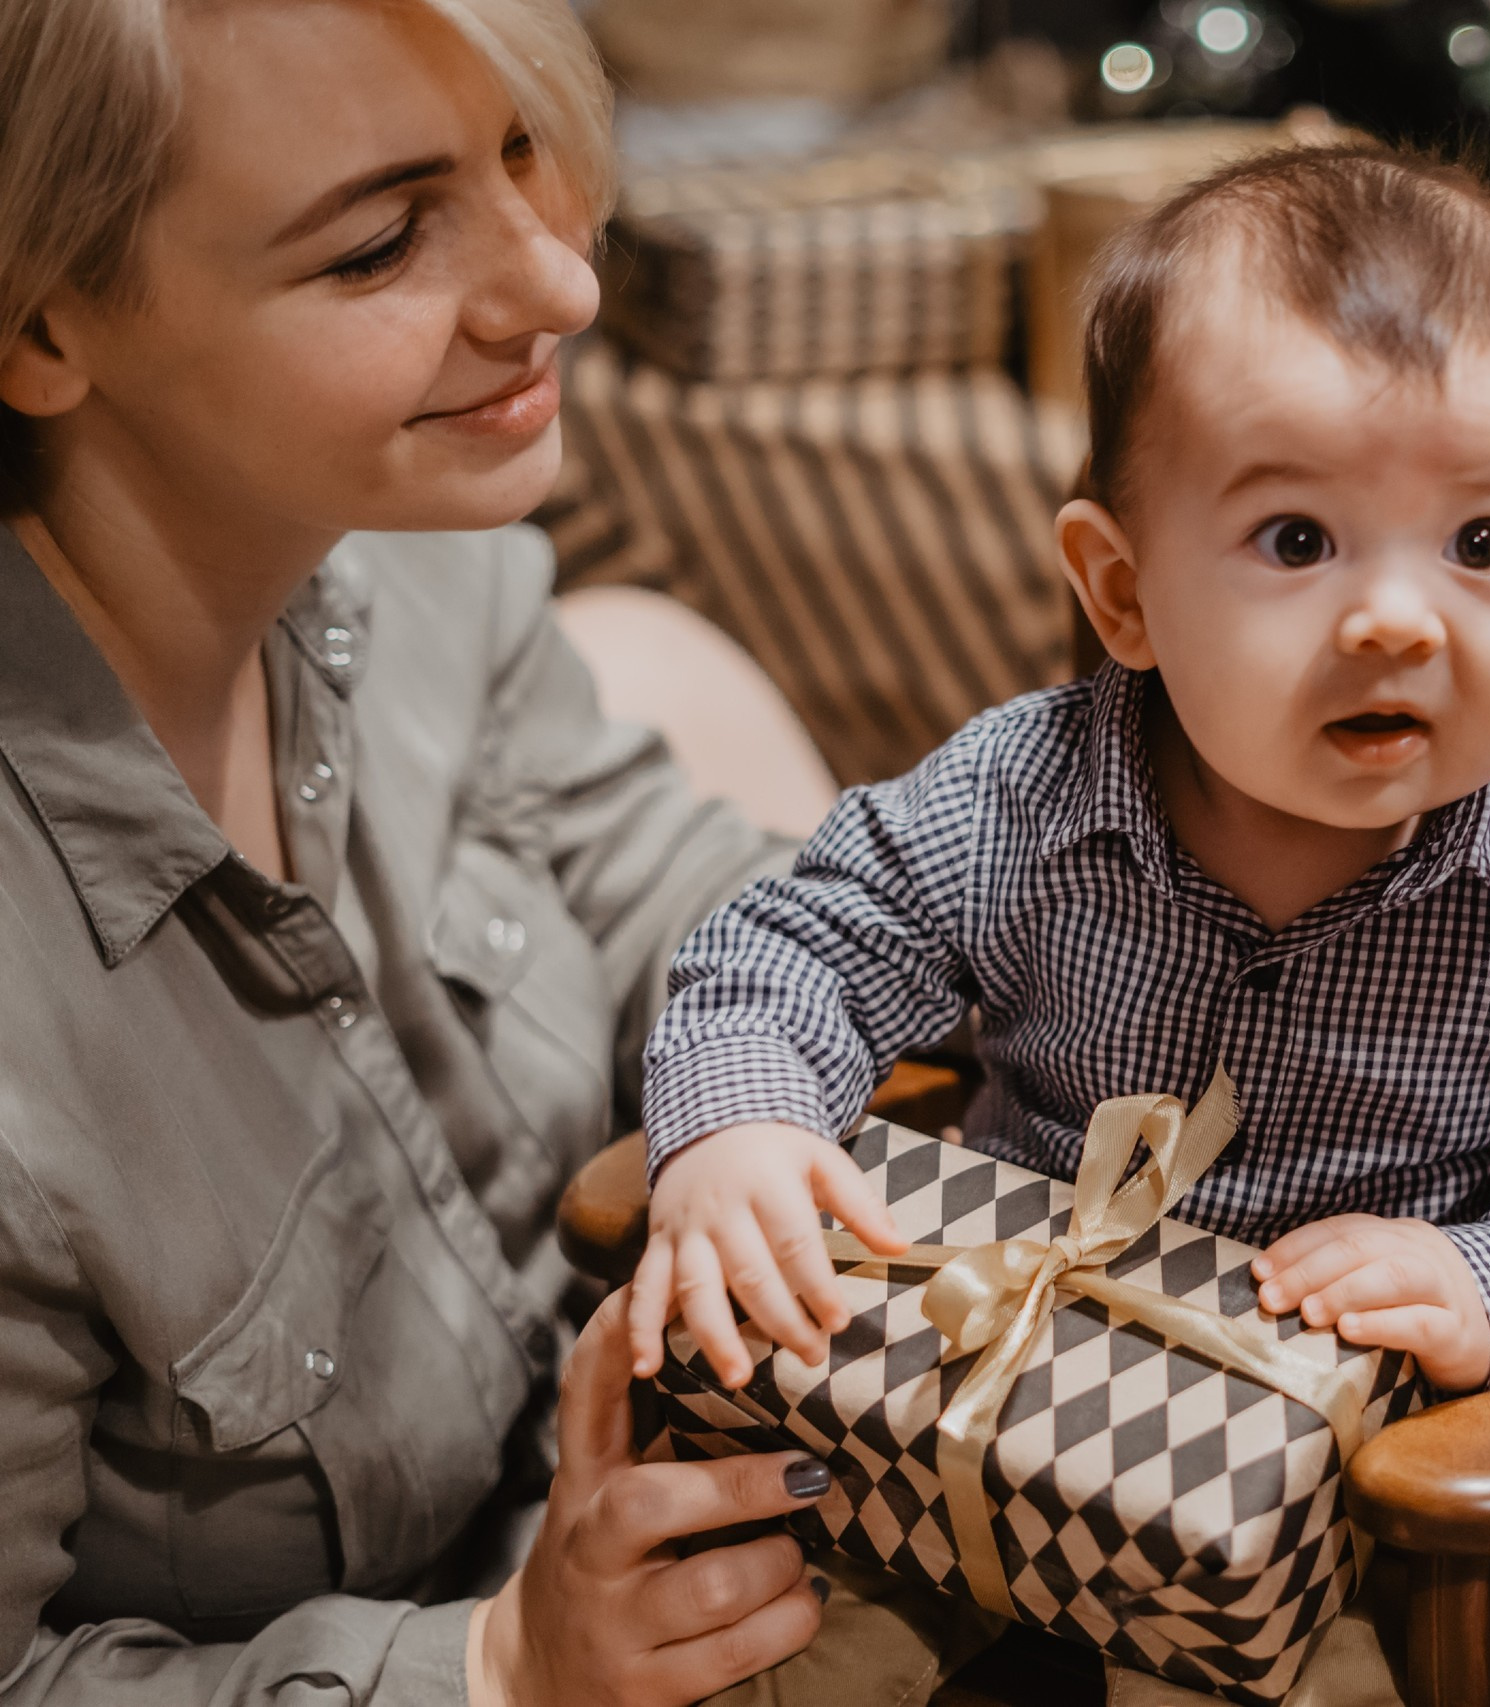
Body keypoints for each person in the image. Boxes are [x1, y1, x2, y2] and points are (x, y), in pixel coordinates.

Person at [0, 1, 860, 1702]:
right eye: (385, 240)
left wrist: (773, 1061)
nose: (563, 287)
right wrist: (498, 1663)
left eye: (521, 150)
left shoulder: (410, 553)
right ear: (42, 321)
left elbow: (663, 879)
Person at [630, 144, 1490, 1408]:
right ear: (1125, 593)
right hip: (1012, 1402)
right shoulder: (1022, 797)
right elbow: (789, 952)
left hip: (1373, 1476)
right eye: (1299, 541)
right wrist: (742, 1123)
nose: (1399, 621)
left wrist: (1487, 1280)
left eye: (1479, 542)